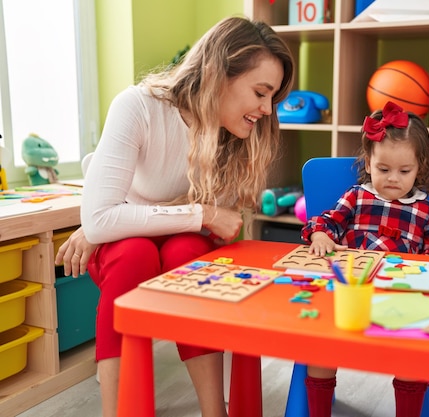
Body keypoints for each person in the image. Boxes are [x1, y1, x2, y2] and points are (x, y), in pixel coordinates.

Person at [55, 16, 294, 417]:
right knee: (135, 254)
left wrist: (110, 217)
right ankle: (120, 411)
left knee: (185, 249)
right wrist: (199, 212)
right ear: (220, 73)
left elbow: (218, 225)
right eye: (260, 92)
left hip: (158, 236)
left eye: (272, 98)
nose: (266, 110)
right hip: (125, 248)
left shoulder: (232, 138)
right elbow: (105, 221)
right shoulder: (138, 107)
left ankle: (213, 411)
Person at [301, 100, 429, 417]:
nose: (393, 178)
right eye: (384, 169)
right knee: (320, 348)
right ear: (369, 163)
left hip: (401, 301)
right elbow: (325, 221)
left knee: (414, 356)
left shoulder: (426, 211)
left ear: (420, 169)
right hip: (350, 297)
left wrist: (427, 268)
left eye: (404, 170)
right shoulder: (357, 196)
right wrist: (320, 235)